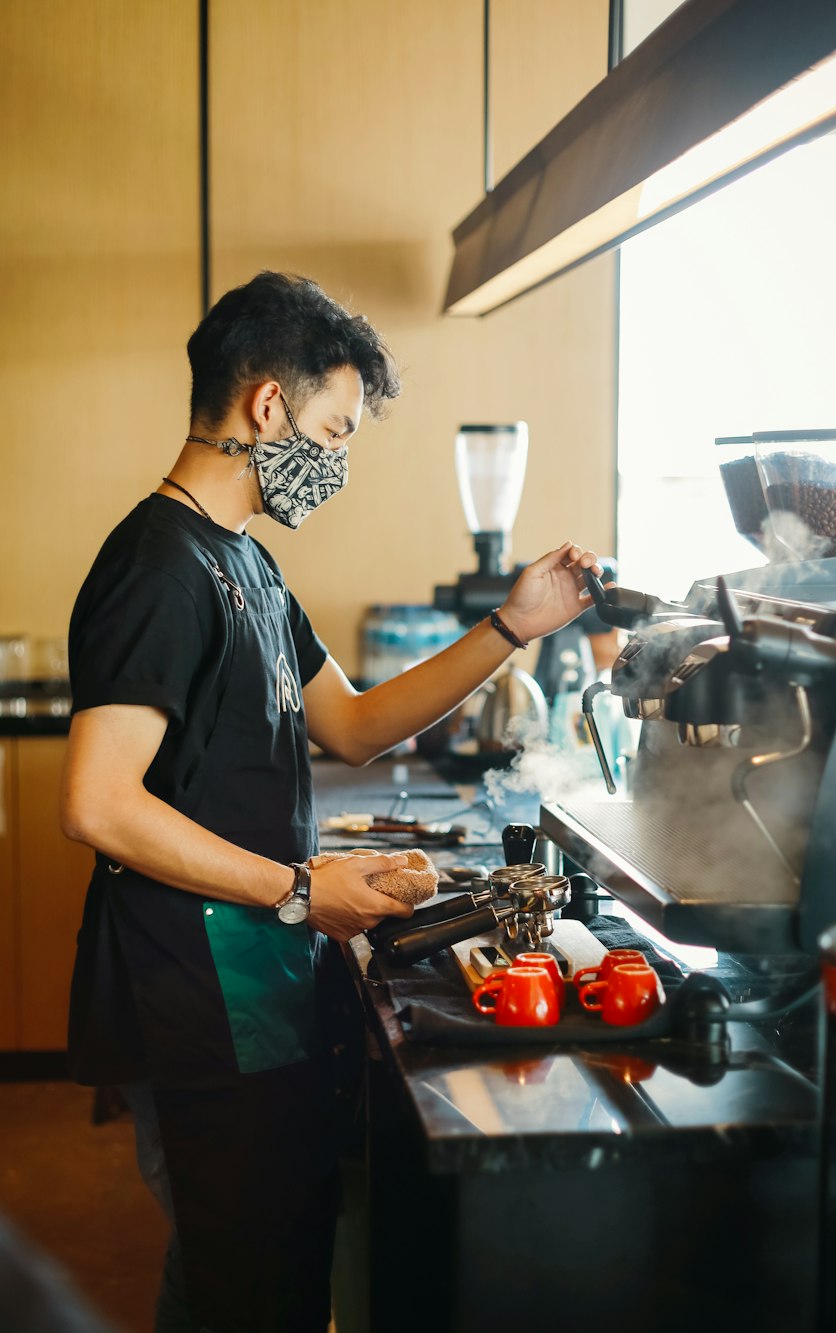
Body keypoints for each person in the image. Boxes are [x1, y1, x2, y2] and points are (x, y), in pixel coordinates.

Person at [59, 270, 603, 1333]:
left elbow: (354, 724)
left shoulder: (247, 566)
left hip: (258, 969)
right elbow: (98, 802)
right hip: (199, 982)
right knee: (245, 1279)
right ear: (266, 406)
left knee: (256, 1264)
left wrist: (512, 628)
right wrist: (307, 887)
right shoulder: (156, 568)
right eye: (334, 429)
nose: (338, 460)